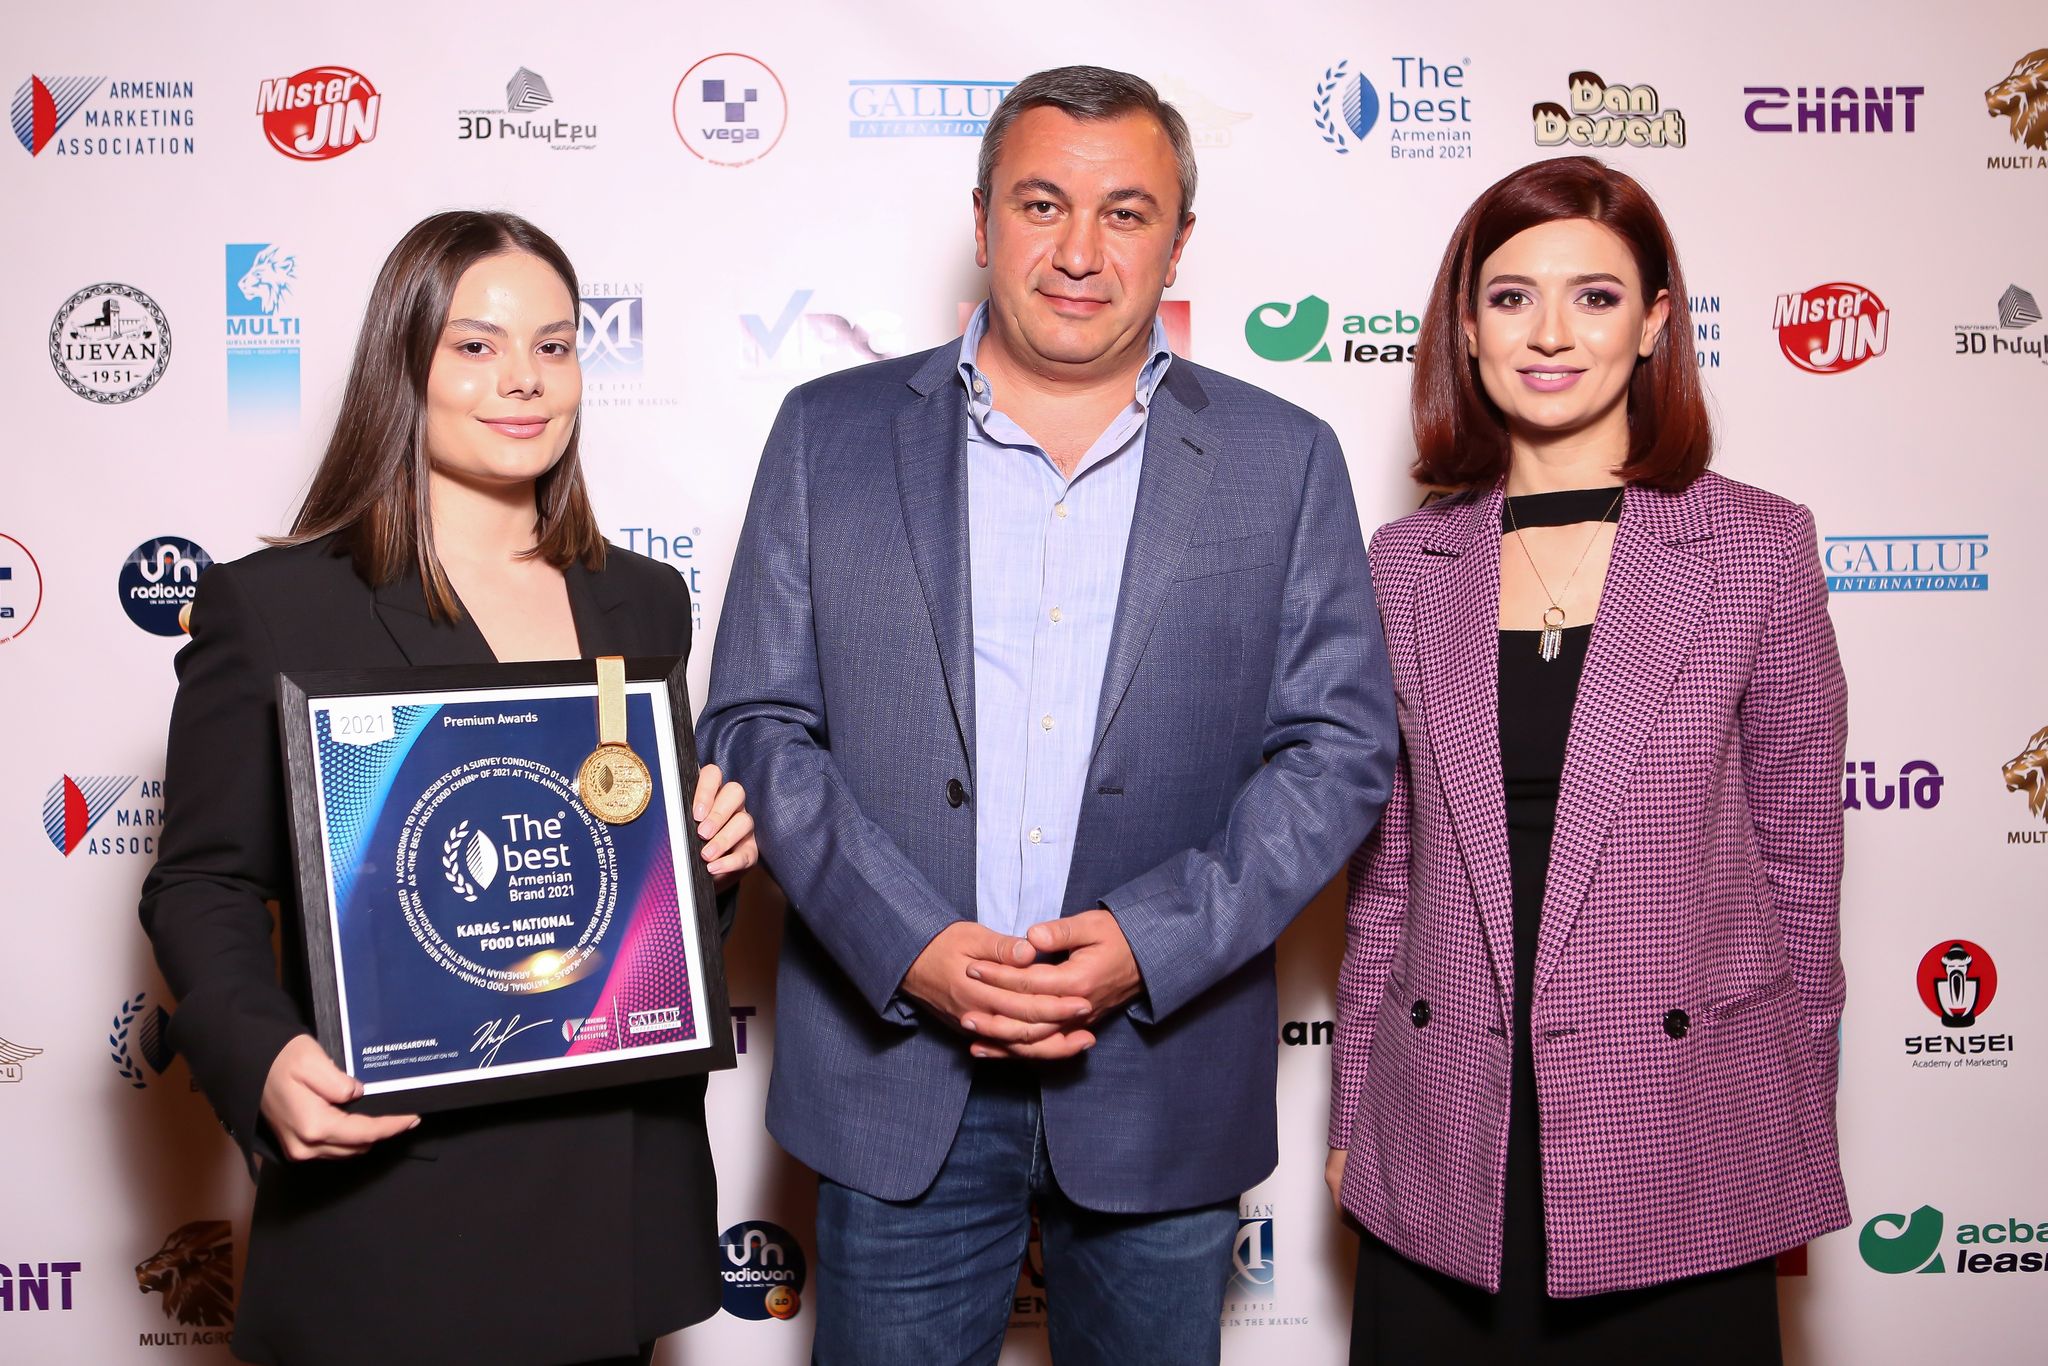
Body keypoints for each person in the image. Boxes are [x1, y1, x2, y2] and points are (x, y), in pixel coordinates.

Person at [699, 65, 1396, 1366]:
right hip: (895, 1075)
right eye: (1041, 204)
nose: (1079, 251)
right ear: (981, 221)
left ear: (1177, 243)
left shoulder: (1283, 456)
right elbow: (755, 725)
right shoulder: (825, 434)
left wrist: (1148, 941)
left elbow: (1340, 748)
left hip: (1161, 1076)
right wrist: (909, 944)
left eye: (1125, 213)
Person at [139, 210, 756, 1366]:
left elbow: (629, 898)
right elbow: (201, 883)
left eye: (554, 346)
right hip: (401, 1206)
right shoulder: (277, 606)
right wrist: (262, 1056)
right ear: (404, 364)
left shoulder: (641, 599)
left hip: (607, 1199)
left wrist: (704, 862)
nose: (523, 378)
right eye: (475, 346)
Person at [1326, 156, 1848, 1363]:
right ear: (1465, 329)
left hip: (1679, 1125)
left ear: (1654, 321)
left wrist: (1788, 1119)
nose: (1549, 333)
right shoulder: (1402, 564)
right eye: (1510, 297)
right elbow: (1384, 884)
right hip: (1445, 1124)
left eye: (1594, 296)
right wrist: (1354, 1109)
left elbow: (1800, 870)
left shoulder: (1756, 547)